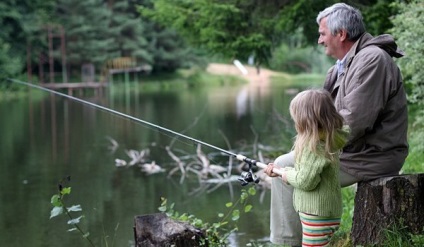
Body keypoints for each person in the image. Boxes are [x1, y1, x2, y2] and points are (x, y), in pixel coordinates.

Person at [265, 2, 408, 246]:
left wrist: (311, 150)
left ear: (340, 34)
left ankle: (286, 243)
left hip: (371, 156)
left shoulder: (372, 60)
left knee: (283, 169)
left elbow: (353, 122)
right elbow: (321, 120)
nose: (319, 40)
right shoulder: (341, 67)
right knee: (289, 164)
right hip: (350, 151)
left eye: (322, 33)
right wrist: (307, 147)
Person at [265, 89, 349, 247]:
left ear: (305, 120)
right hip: (321, 212)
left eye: (296, 118)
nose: (295, 122)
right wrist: (282, 171)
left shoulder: (314, 147)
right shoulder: (327, 138)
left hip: (317, 214)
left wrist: (283, 172)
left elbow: (305, 181)